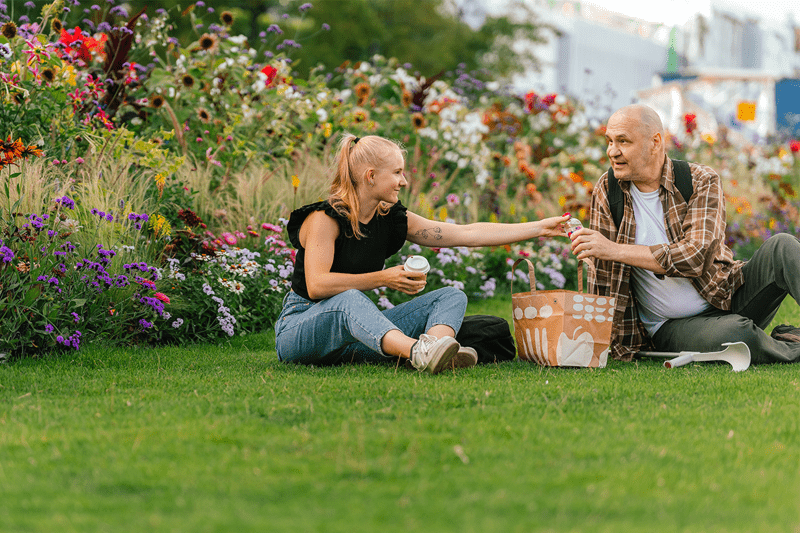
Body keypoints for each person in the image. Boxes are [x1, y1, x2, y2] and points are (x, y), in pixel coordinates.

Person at [274, 133, 571, 374]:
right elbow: (317, 285)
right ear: (371, 176)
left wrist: (539, 227)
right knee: (349, 300)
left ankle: (437, 351)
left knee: (451, 296)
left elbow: (466, 234)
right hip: (300, 331)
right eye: (398, 173)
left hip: (354, 337)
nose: (404, 181)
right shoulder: (324, 219)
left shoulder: (390, 217)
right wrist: (384, 278)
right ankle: (418, 352)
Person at [569, 103, 800, 364]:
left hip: (724, 294)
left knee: (783, 246)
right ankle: (788, 342)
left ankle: (765, 336)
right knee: (738, 333)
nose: (613, 151)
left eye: (623, 141)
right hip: (672, 325)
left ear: (655, 142)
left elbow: (696, 257)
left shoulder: (700, 180)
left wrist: (613, 249)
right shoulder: (609, 190)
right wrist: (602, 341)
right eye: (609, 141)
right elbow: (604, 274)